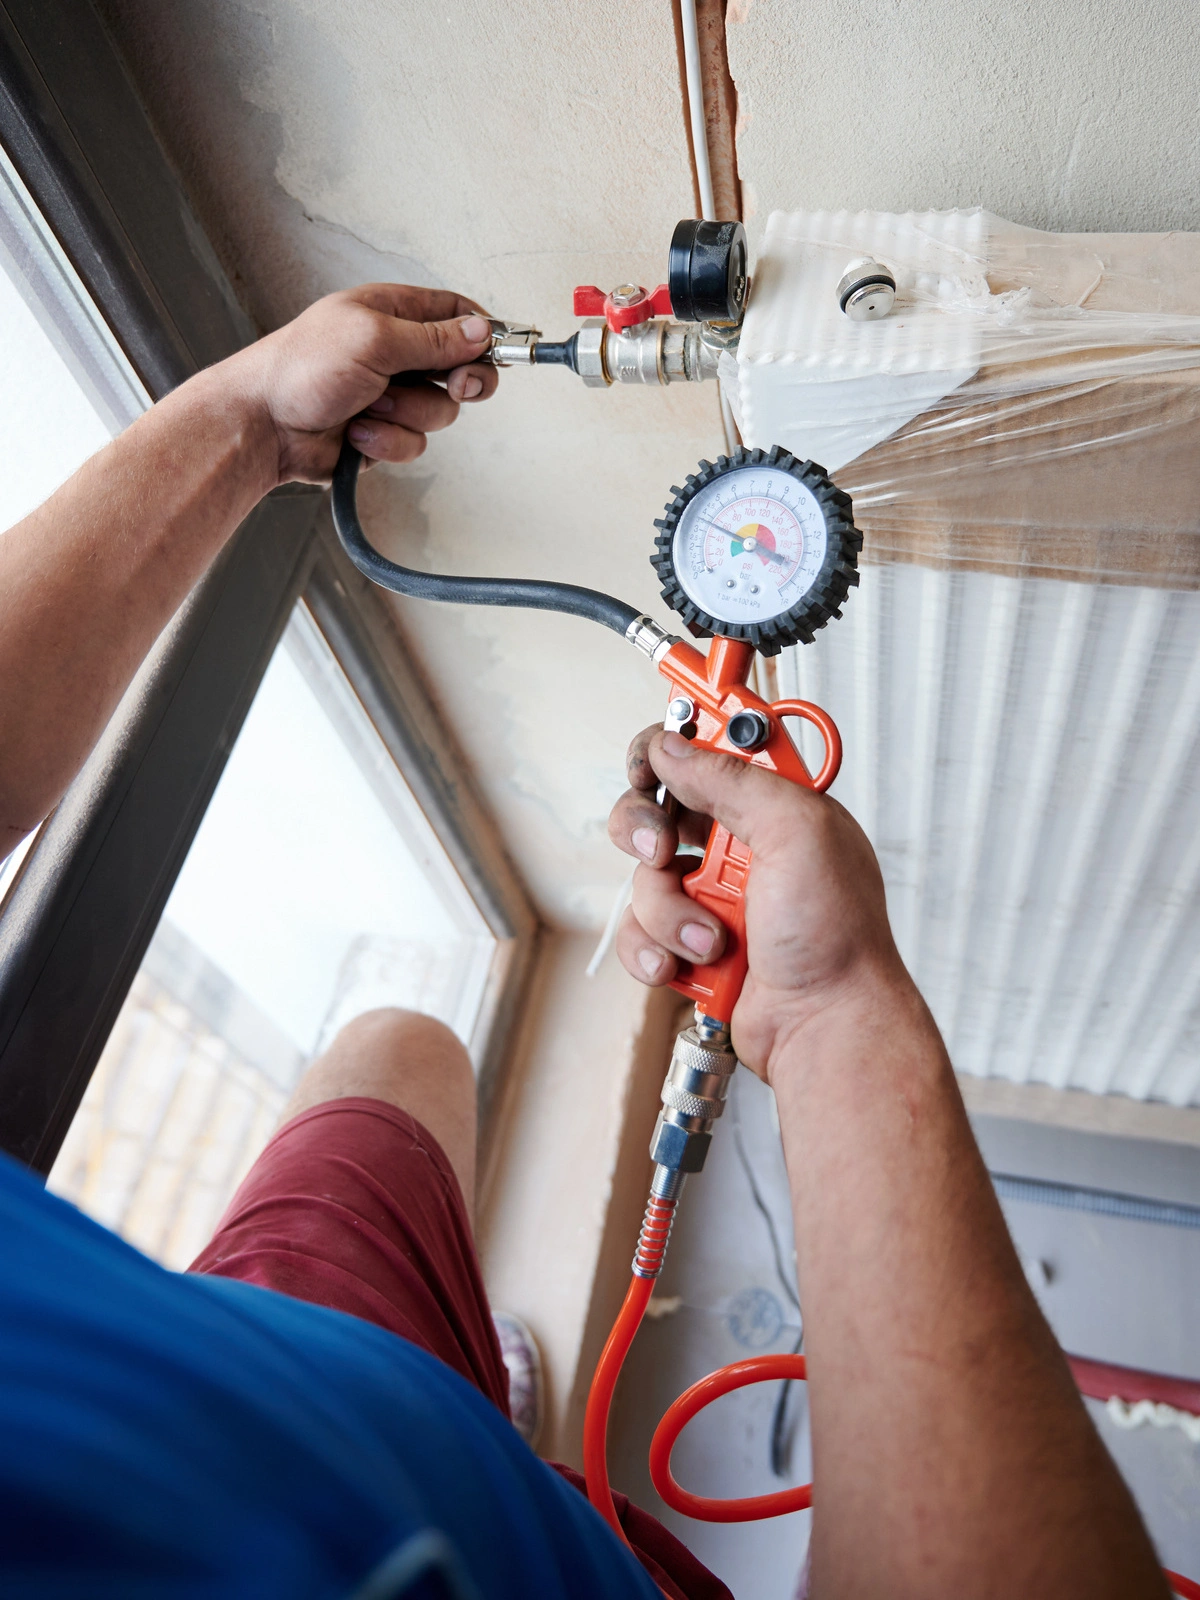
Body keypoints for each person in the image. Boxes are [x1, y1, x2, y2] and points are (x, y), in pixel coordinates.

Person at [0, 283, 1170, 1599]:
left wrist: (255, 416)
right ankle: (482, 1409)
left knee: (394, 1046)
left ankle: (468, 1382)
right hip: (504, 1539)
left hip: (223, 1348)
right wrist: (827, 1007)